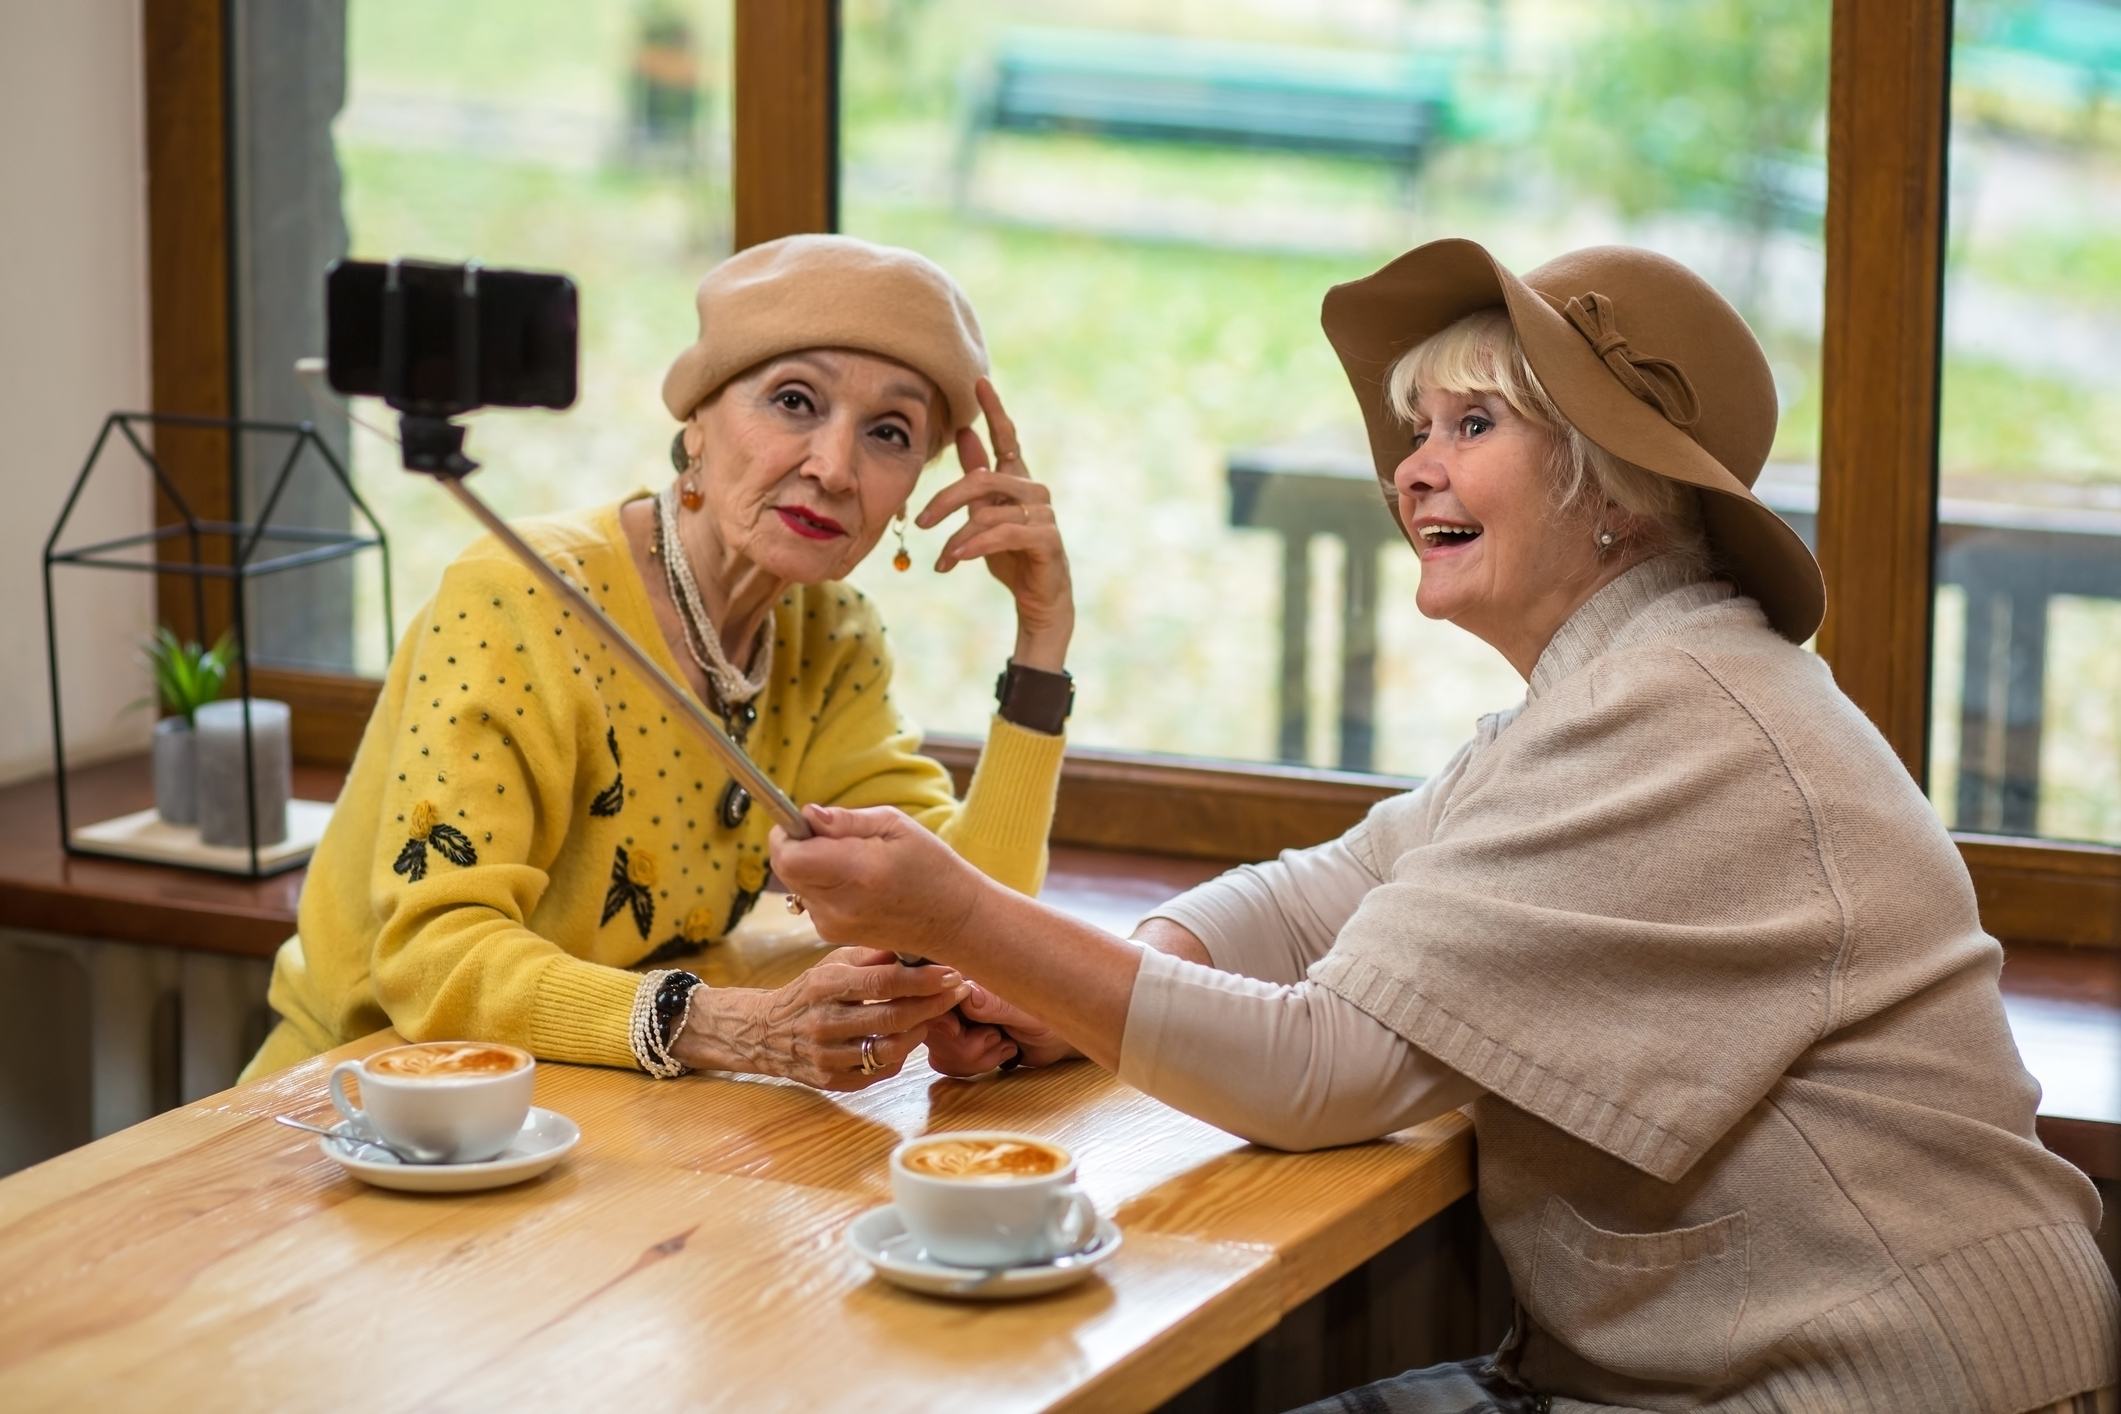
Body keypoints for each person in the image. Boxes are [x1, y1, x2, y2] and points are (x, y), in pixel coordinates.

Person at [772, 239, 2120, 1409]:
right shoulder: (1627, 683)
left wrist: (955, 916)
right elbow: (1321, 896)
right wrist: (1085, 979)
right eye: (1416, 430)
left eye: (1471, 425)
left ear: (1617, 484)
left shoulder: (1680, 714)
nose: (1412, 469)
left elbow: (1325, 1069)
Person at [243, 234, 1078, 1091]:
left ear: (913, 489)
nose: (833, 467)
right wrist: (725, 1027)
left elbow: (958, 909)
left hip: (596, 1116)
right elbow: (429, 956)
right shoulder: (520, 597)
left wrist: (1040, 641)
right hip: (351, 1110)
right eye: (794, 401)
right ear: (696, 423)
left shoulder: (831, 636)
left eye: (890, 433)